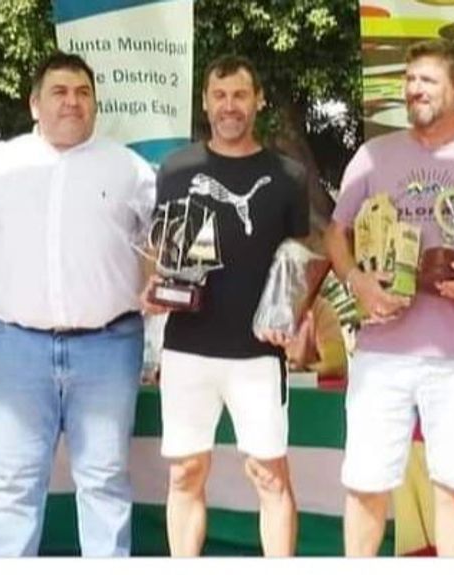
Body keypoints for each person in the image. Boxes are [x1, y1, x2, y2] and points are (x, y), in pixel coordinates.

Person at [324, 39, 454, 557]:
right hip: (381, 350)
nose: (415, 89)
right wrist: (357, 281)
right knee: (367, 479)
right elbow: (336, 233)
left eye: (428, 81)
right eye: (410, 80)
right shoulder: (374, 154)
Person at [0, 52, 157, 557]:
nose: (72, 102)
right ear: (35, 103)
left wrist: (161, 332)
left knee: (105, 483)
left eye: (83, 93)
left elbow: (164, 249)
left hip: (109, 349)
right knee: (15, 485)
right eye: (60, 92)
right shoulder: (0, 162)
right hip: (15, 349)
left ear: (95, 105)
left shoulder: (129, 167)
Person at [144, 55, 309, 557]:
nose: (229, 106)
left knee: (270, 476)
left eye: (240, 95)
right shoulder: (176, 168)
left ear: (258, 100)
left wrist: (297, 322)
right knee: (185, 473)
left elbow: (297, 261)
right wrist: (152, 286)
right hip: (187, 348)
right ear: (205, 102)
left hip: (259, 353)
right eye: (219, 96)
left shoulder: (288, 175)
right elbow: (160, 250)